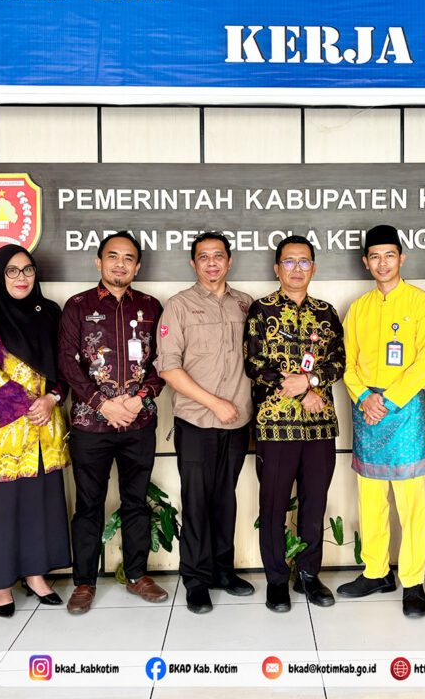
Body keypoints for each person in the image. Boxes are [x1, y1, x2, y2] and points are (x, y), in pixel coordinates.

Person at [58, 231, 168, 614]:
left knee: (136, 502)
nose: (120, 264)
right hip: (91, 426)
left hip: (139, 422)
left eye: (128, 258)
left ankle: (136, 575)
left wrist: (139, 399)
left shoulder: (152, 307)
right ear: (99, 262)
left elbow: (163, 361)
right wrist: (101, 404)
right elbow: (67, 363)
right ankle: (84, 582)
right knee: (89, 505)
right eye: (113, 256)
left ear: (137, 267)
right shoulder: (77, 306)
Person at [0, 244, 71, 617]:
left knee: (39, 504)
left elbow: (64, 364)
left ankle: (36, 575)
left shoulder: (50, 312)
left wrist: (53, 398)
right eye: (12, 271)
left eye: (27, 270)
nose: (21, 278)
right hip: (0, 430)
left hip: (45, 428)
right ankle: (0, 585)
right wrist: (29, 407)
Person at [338, 224, 425, 618]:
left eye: (390, 255)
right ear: (366, 262)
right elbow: (347, 364)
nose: (383, 263)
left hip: (405, 410)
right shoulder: (358, 308)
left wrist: (389, 400)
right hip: (366, 411)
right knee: (371, 499)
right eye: (375, 257)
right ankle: (376, 572)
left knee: (411, 503)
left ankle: (412, 581)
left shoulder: (421, 303)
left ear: (402, 258)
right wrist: (366, 398)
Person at [244, 236, 346, 613]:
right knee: (273, 505)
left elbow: (339, 361)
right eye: (289, 262)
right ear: (277, 269)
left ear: (313, 268)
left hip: (319, 426)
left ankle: (307, 574)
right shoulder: (261, 310)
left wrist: (311, 381)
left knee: (313, 503)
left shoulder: (326, 312)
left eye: (304, 262)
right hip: (275, 425)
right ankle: (275, 579)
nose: (297, 269)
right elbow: (254, 363)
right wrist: (302, 391)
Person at [156, 232, 254, 614]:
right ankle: (196, 579)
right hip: (196, 421)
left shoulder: (245, 304)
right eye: (203, 257)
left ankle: (223, 571)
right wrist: (215, 404)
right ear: (193, 263)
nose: (211, 263)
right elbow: (169, 368)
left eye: (218, 256)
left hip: (237, 421)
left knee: (225, 499)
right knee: (196, 502)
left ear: (229, 261)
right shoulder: (179, 306)